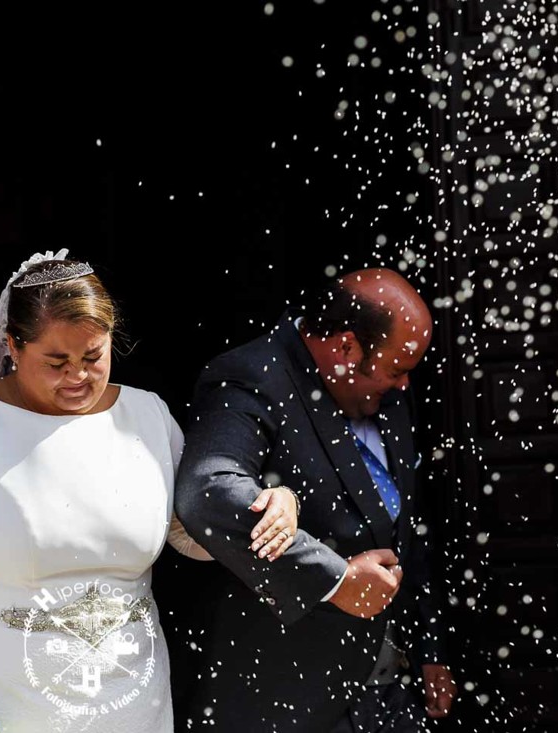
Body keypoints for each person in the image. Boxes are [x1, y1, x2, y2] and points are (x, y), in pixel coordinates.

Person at [0, 250, 301, 733]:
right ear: (13, 346)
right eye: (56, 362)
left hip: (131, 706)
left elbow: (193, 535)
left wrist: (272, 505)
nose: (77, 376)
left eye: (93, 357)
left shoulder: (148, 415)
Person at [174, 268, 456, 732]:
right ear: (346, 348)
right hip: (288, 699)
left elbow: (408, 527)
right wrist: (335, 580)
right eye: (397, 369)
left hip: (392, 698)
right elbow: (209, 491)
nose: (405, 384)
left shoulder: (388, 394)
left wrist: (430, 648)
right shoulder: (252, 376)